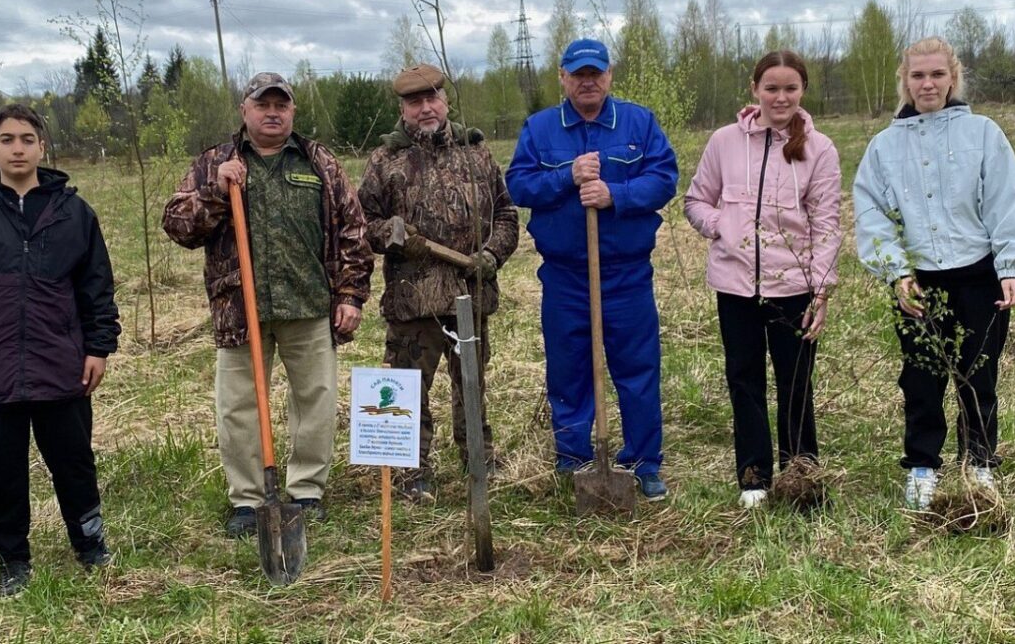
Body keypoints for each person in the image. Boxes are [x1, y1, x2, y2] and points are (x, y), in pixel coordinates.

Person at [162, 72, 372, 534]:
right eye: (263, 105)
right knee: (237, 406)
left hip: (310, 304)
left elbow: (354, 231)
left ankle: (306, 491)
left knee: (315, 401)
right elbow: (176, 225)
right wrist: (216, 190)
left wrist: (351, 294)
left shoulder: (319, 163)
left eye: (281, 105)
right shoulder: (216, 162)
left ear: (293, 112)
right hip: (240, 310)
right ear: (245, 111)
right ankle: (249, 500)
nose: (272, 112)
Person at [0, 103, 121, 597]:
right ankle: (12, 560)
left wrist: (98, 346)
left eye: (28, 139)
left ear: (42, 147)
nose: (19, 148)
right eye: (8, 139)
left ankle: (91, 546)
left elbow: (97, 287)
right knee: (3, 472)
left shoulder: (74, 213)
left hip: (62, 366)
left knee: (74, 462)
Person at [853, 37, 1015, 509]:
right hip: (919, 282)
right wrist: (896, 271)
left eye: (937, 74)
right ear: (905, 81)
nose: (928, 83)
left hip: (978, 275)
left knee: (978, 374)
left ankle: (977, 462)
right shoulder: (884, 147)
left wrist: (1012, 267)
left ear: (952, 78)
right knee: (920, 377)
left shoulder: (982, 134)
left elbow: (1006, 199)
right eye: (918, 75)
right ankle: (922, 465)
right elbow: (870, 211)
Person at [506, 38, 678, 500]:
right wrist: (567, 176)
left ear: (609, 76)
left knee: (637, 368)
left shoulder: (638, 123)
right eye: (578, 74)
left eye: (595, 73)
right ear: (562, 78)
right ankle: (575, 459)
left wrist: (615, 195)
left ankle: (644, 461)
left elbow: (664, 178)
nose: (588, 81)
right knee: (568, 368)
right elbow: (518, 185)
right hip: (565, 276)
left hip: (625, 274)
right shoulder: (541, 129)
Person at [683, 50, 842, 509]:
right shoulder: (724, 142)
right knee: (744, 380)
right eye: (771, 87)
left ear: (803, 91)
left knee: (796, 382)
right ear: (755, 90)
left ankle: (801, 473)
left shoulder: (820, 149)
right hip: (735, 288)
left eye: (790, 88)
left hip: (793, 289)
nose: (780, 97)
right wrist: (723, 227)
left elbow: (827, 224)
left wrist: (820, 288)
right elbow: (696, 201)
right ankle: (753, 475)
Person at [356, 63, 519, 502]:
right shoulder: (384, 161)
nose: (425, 108)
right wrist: (388, 234)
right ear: (403, 109)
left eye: (432, 98)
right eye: (415, 101)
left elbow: (505, 215)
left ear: (445, 101)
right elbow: (360, 225)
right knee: (408, 388)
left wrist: (491, 255)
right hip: (413, 302)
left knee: (472, 383)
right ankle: (412, 473)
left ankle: (477, 458)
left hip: (471, 294)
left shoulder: (476, 153)